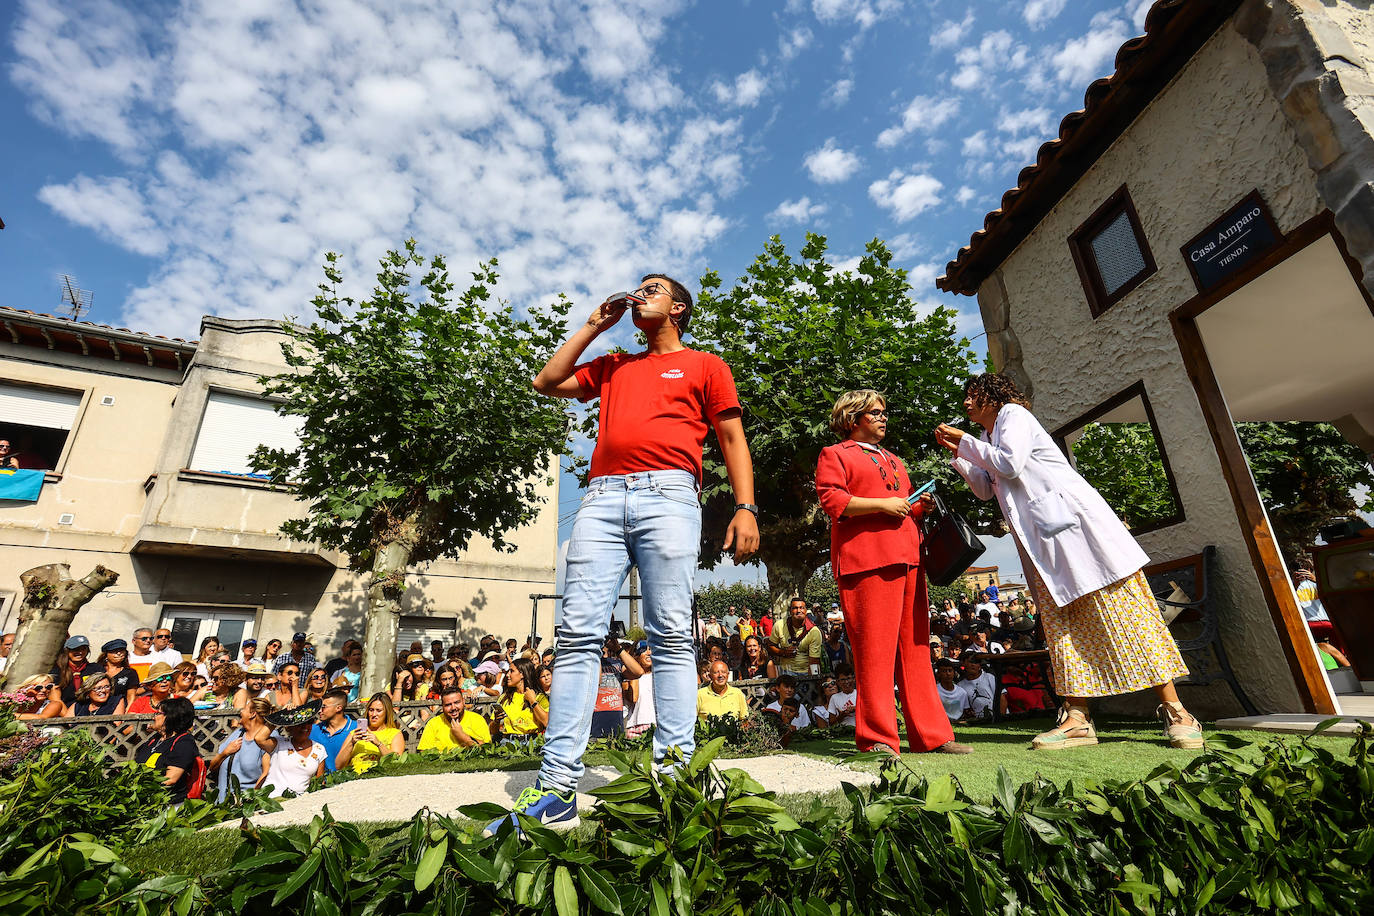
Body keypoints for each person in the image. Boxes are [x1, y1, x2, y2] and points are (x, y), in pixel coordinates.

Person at [938, 373, 1203, 751]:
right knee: (1063, 628)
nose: (965, 403)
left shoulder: (1014, 415)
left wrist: (965, 443)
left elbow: (1009, 464)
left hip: (1079, 538)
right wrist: (960, 454)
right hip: (1042, 549)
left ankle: (1176, 711)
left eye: (972, 395)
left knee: (1123, 615)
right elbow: (985, 488)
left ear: (993, 397)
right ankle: (1077, 719)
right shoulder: (985, 438)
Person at [816, 389, 970, 756]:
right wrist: (886, 505)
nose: (884, 418)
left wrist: (921, 506)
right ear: (853, 419)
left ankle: (932, 735)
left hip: (908, 558)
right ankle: (877, 739)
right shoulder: (834, 454)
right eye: (875, 413)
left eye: (885, 412)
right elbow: (834, 500)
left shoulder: (894, 459)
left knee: (916, 650)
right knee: (874, 654)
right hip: (866, 561)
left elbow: (905, 508)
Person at [136, 697, 202, 804]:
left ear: (170, 717)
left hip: (169, 804)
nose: (154, 717)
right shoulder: (154, 740)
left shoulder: (183, 742)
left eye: (158, 713)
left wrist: (142, 788)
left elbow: (170, 780)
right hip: (145, 799)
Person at [210, 698, 276, 802]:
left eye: (244, 709)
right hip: (222, 803)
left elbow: (267, 774)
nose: (241, 711)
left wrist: (250, 800)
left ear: (252, 714)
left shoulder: (268, 739)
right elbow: (212, 766)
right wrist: (225, 753)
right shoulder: (237, 734)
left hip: (246, 803)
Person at [262, 703, 329, 798]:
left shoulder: (319, 749)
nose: (305, 727)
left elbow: (319, 780)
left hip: (298, 803)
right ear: (289, 727)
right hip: (272, 800)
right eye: (300, 724)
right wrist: (281, 715)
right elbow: (259, 738)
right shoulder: (278, 744)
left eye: (309, 722)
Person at [335, 692, 407, 774]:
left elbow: (397, 762)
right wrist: (351, 743)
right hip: (355, 777)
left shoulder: (395, 733)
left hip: (380, 777)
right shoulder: (355, 733)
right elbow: (338, 765)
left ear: (386, 712)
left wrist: (379, 744)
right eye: (371, 710)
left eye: (378, 711)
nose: (374, 714)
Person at [417, 687, 492, 750]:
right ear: (442, 706)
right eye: (448, 705)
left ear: (463, 702)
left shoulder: (477, 719)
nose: (453, 708)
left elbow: (486, 749)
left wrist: (463, 737)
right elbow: (424, 752)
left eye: (456, 702)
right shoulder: (433, 723)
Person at [767, 598, 824, 675]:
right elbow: (770, 646)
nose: (799, 611)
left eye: (802, 608)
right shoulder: (779, 625)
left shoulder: (814, 631)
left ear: (806, 611)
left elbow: (814, 662)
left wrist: (810, 682)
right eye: (795, 608)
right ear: (790, 611)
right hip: (785, 672)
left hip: (806, 672)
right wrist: (783, 652)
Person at [497, 658, 549, 738]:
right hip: (507, 743)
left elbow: (547, 722)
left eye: (512, 671)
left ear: (522, 674)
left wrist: (533, 701)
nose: (507, 675)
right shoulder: (504, 698)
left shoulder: (539, 697)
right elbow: (493, 731)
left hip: (531, 743)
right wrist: (496, 721)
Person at [309, 688, 357, 773]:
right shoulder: (313, 730)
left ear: (338, 708)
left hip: (349, 781)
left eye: (324, 707)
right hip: (320, 783)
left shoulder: (356, 728)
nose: (319, 711)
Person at [50, 635, 99, 707]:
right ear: (67, 651)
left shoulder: (96, 669)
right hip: (65, 711)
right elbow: (56, 700)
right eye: (76, 649)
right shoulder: (57, 671)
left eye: (83, 649)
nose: (80, 652)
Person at [622, 643, 656, 738]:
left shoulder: (658, 677)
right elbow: (633, 698)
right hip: (636, 725)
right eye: (644, 650)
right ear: (636, 655)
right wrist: (634, 672)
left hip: (657, 724)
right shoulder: (627, 679)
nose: (649, 653)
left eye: (651, 649)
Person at [96, 638, 141, 709]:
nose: (119, 653)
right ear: (106, 655)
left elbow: (131, 697)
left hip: (120, 708)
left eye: (121, 650)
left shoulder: (130, 673)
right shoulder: (97, 670)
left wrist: (127, 714)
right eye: (114, 651)